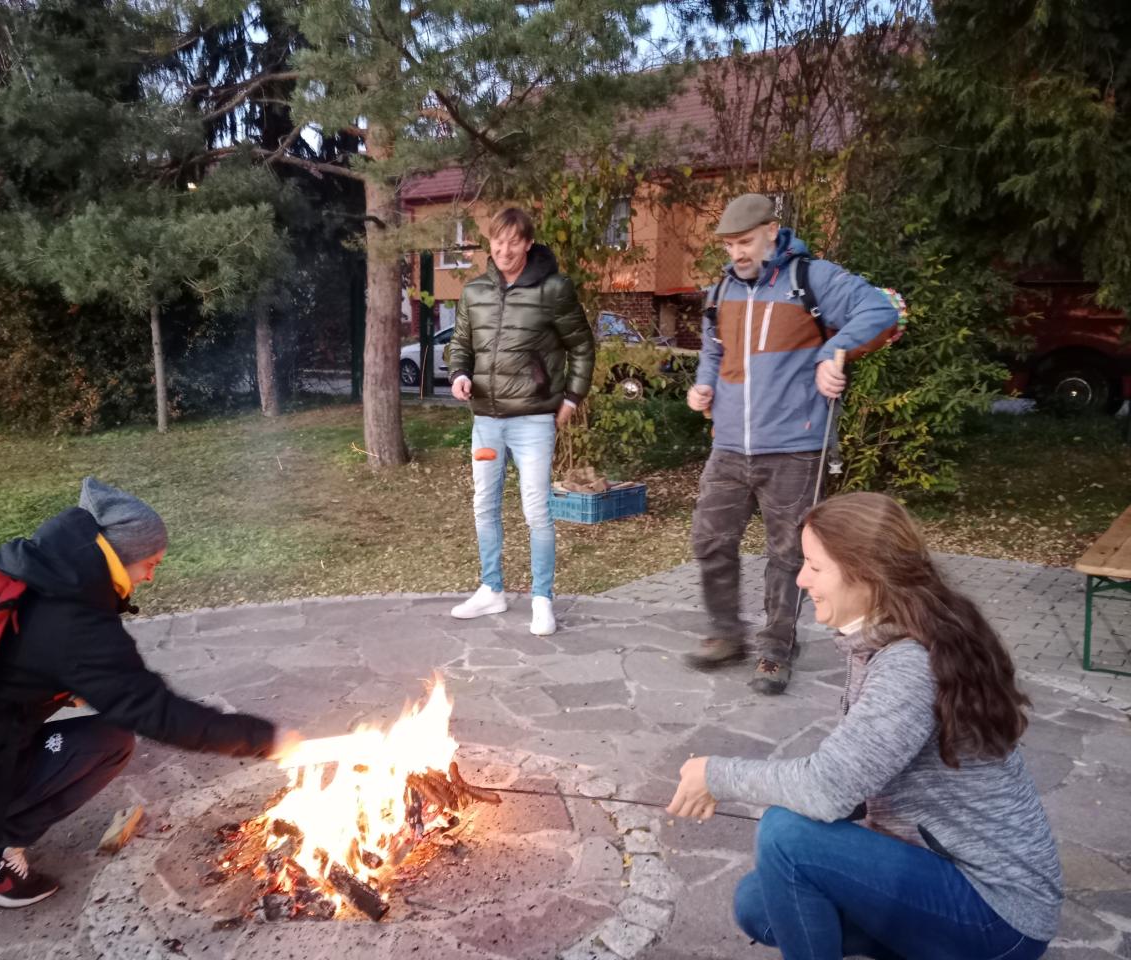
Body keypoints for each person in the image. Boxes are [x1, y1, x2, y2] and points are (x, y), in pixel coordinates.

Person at [668, 492, 1062, 960]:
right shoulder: (886, 636)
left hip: (998, 915)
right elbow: (851, 785)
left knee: (784, 835)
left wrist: (715, 775)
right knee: (760, 903)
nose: (801, 579)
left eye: (815, 566)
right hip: (944, 874)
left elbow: (828, 789)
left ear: (866, 572)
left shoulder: (908, 664)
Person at [0, 477, 299, 908]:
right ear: (120, 557)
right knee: (110, 741)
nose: (151, 576)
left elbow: (0, 667)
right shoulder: (75, 622)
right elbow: (156, 713)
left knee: (20, 721)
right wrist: (268, 739)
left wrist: (67, 687)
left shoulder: (20, 571)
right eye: (150, 563)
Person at [686, 194, 900, 694]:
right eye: (729, 245)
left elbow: (881, 309)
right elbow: (713, 351)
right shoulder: (721, 291)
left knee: (787, 555)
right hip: (729, 446)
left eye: (745, 241)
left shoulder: (811, 278)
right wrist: (704, 386)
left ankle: (776, 649)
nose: (737, 253)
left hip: (794, 446)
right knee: (710, 540)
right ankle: (726, 634)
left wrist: (832, 352)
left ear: (771, 231)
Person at [447, 207, 595, 636]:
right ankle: (491, 589)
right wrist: (458, 375)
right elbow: (460, 344)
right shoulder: (474, 292)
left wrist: (572, 398)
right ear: (490, 243)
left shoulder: (554, 289)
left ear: (528, 244)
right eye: (499, 241)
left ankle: (542, 600)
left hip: (533, 421)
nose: (505, 249)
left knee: (536, 510)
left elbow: (582, 346)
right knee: (484, 505)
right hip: (486, 421)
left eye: (514, 241)